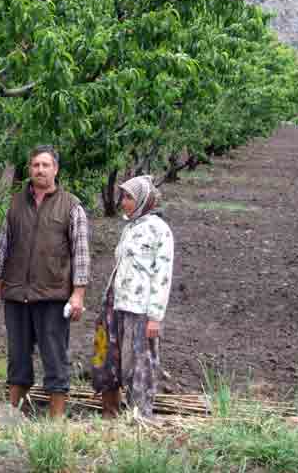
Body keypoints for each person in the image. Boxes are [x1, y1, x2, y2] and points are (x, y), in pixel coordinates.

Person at [0, 145, 90, 418]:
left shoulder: (71, 205)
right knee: (18, 356)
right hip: (17, 293)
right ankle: (15, 414)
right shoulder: (16, 202)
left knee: (55, 355)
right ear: (29, 169)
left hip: (53, 294)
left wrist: (78, 293)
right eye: (35, 165)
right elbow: (4, 242)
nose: (40, 170)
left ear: (56, 169)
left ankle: (55, 421)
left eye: (46, 165)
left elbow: (81, 252)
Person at [92, 175, 174, 420]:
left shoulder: (160, 230)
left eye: (129, 197)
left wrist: (155, 317)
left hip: (140, 309)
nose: (123, 202)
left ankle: (140, 418)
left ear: (145, 200)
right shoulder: (130, 227)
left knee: (141, 364)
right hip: (115, 303)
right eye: (123, 197)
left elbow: (163, 275)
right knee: (107, 357)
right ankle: (110, 414)